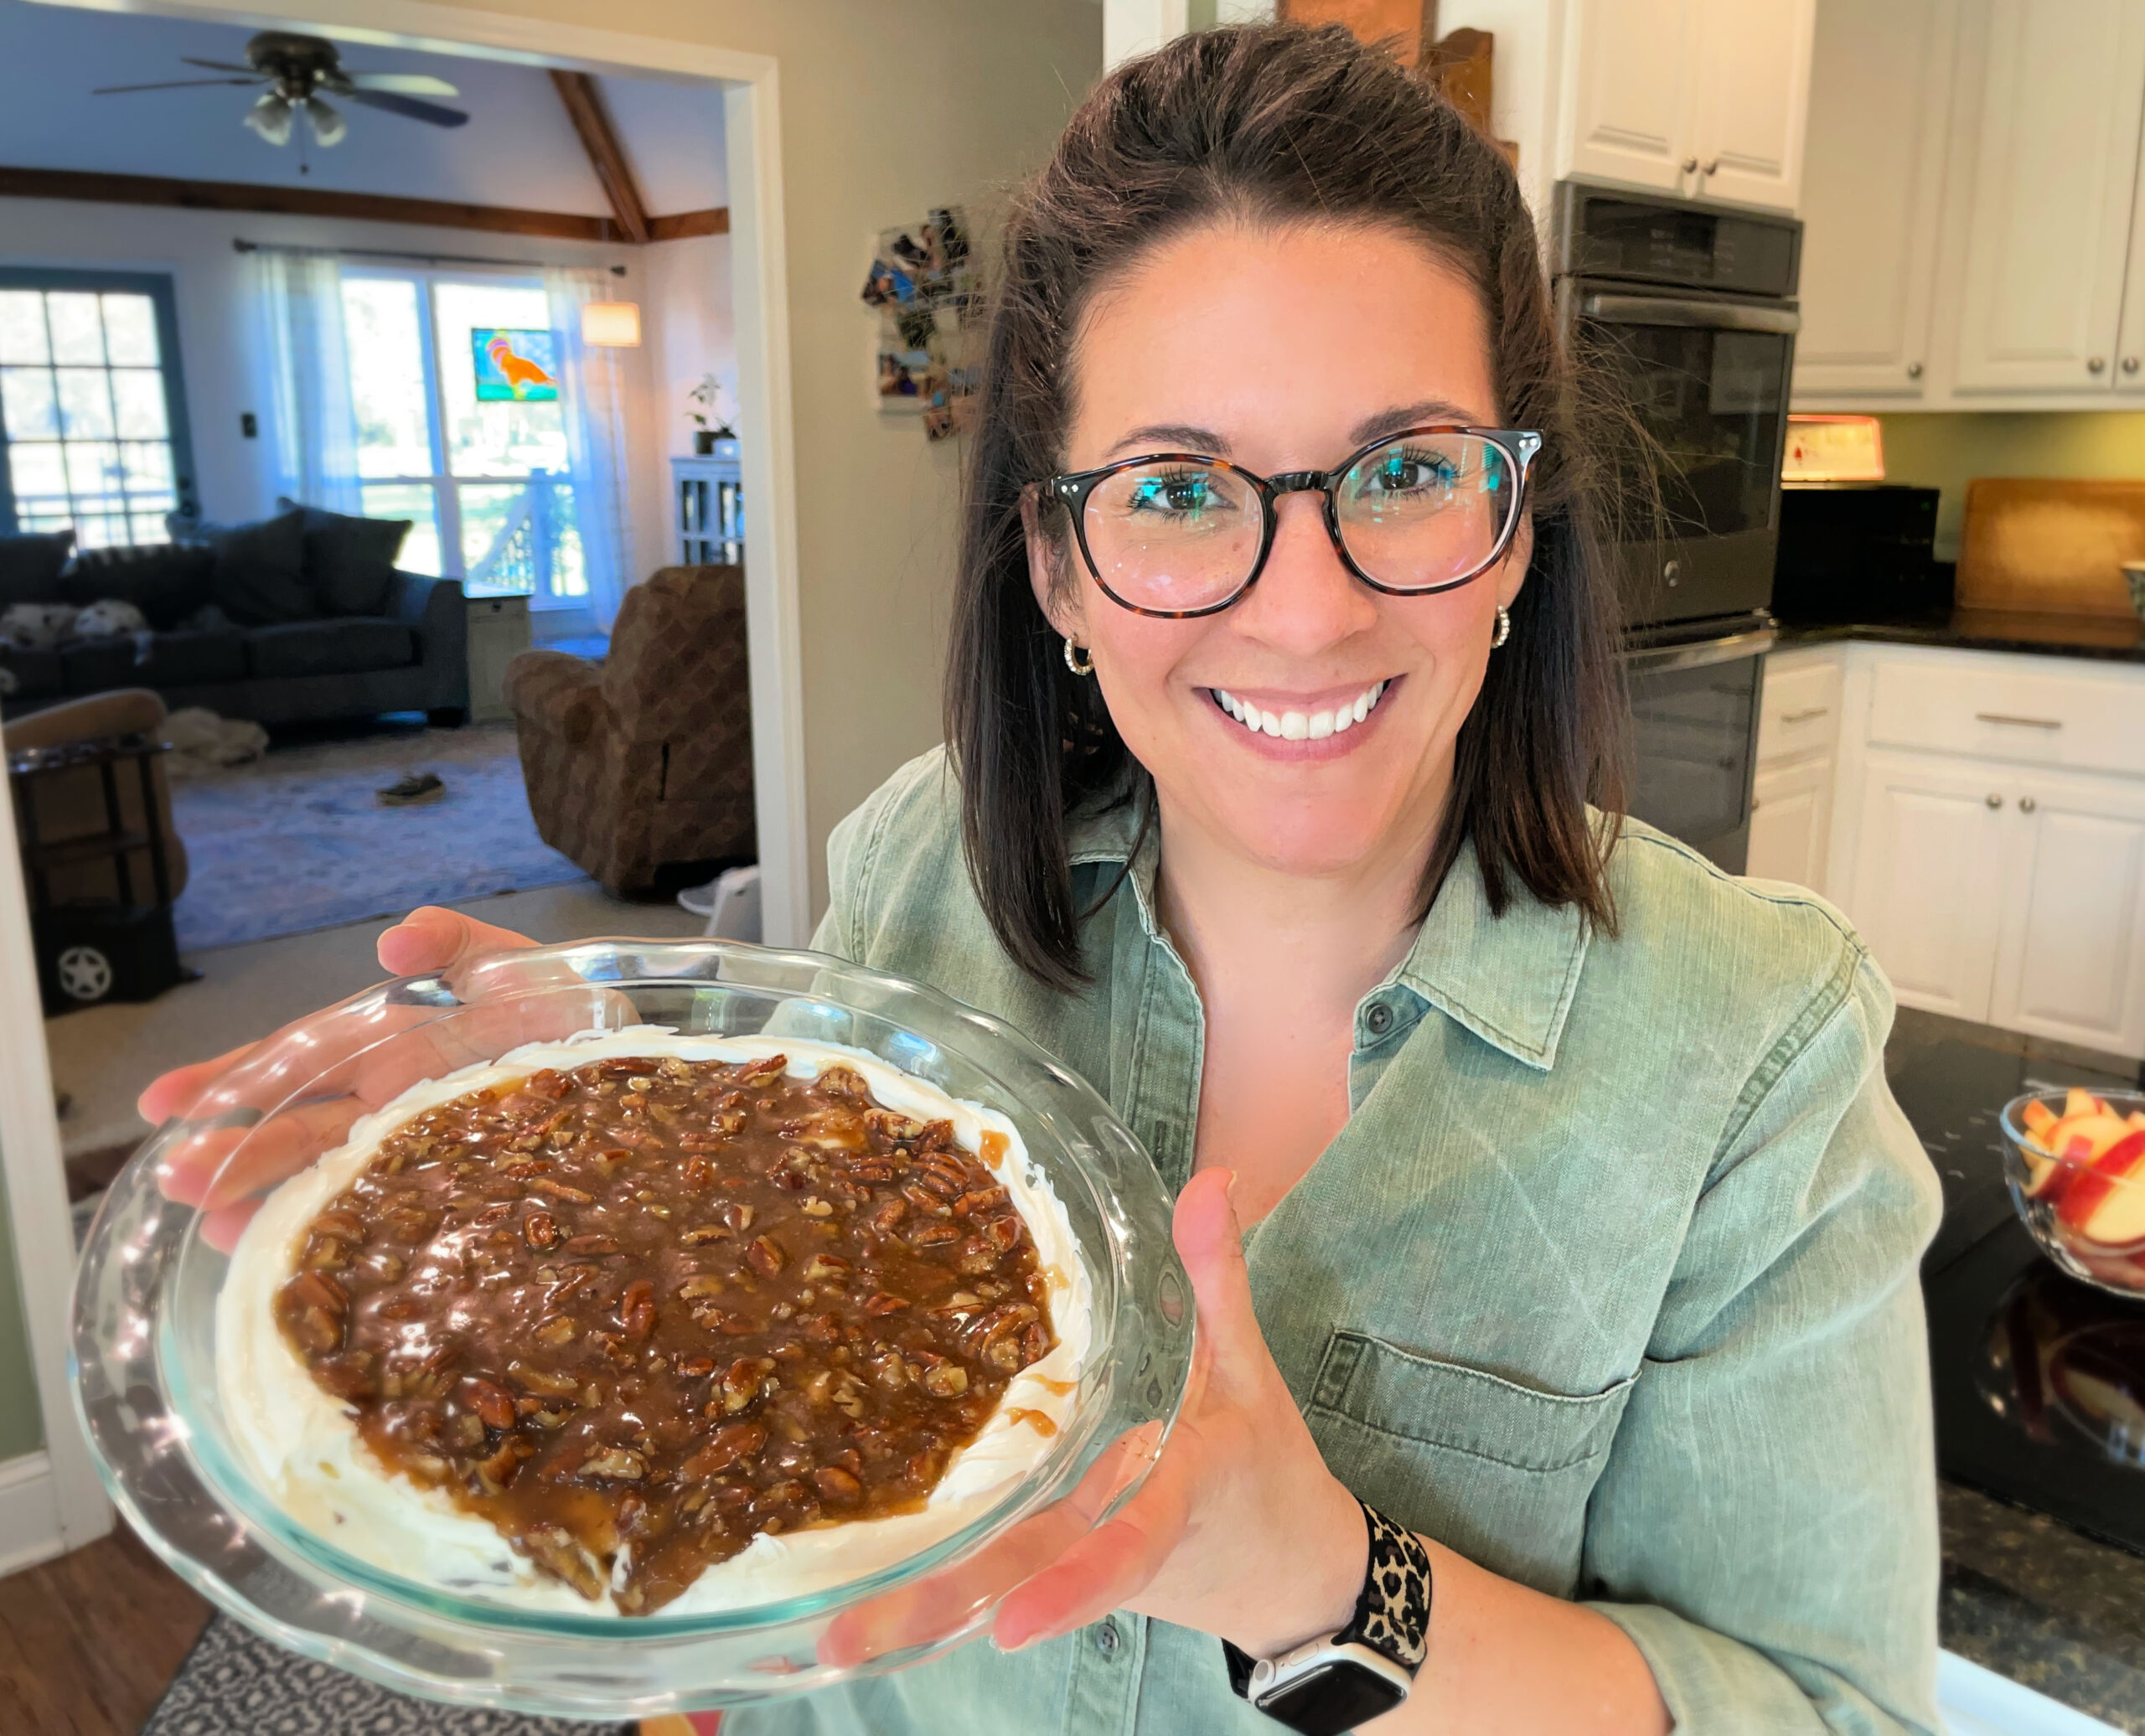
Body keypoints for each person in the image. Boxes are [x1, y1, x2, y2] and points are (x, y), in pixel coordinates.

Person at [146, 25, 1941, 1735]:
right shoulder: (919, 858)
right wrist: (604, 1109)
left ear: (1513, 533)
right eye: (1173, 489)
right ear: (1056, 569)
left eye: (1402, 471)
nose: (1303, 606)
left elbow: (1826, 1709)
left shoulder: (1747, 1065)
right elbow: (788, 1324)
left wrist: (1323, 1586)